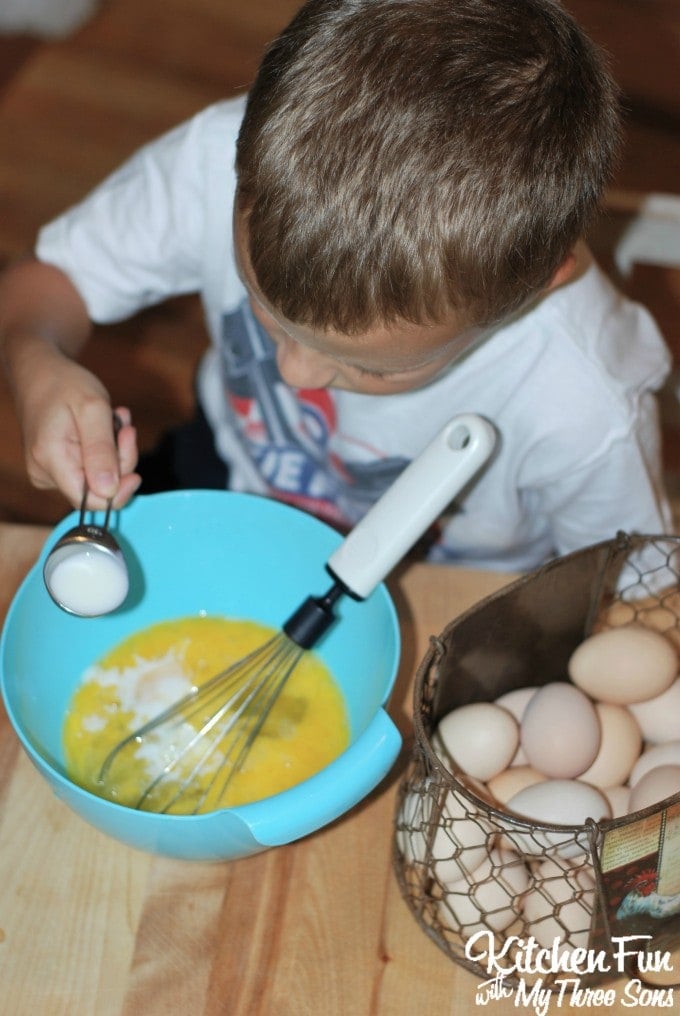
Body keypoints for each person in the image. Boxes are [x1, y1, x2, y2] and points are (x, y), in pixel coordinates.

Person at [0, 0, 672, 572]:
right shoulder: (211, 163)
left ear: (534, 290)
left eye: (365, 367)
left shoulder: (585, 408)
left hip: (439, 585)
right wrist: (36, 359)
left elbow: (622, 592)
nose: (295, 375)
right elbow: (44, 285)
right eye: (264, 308)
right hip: (234, 475)